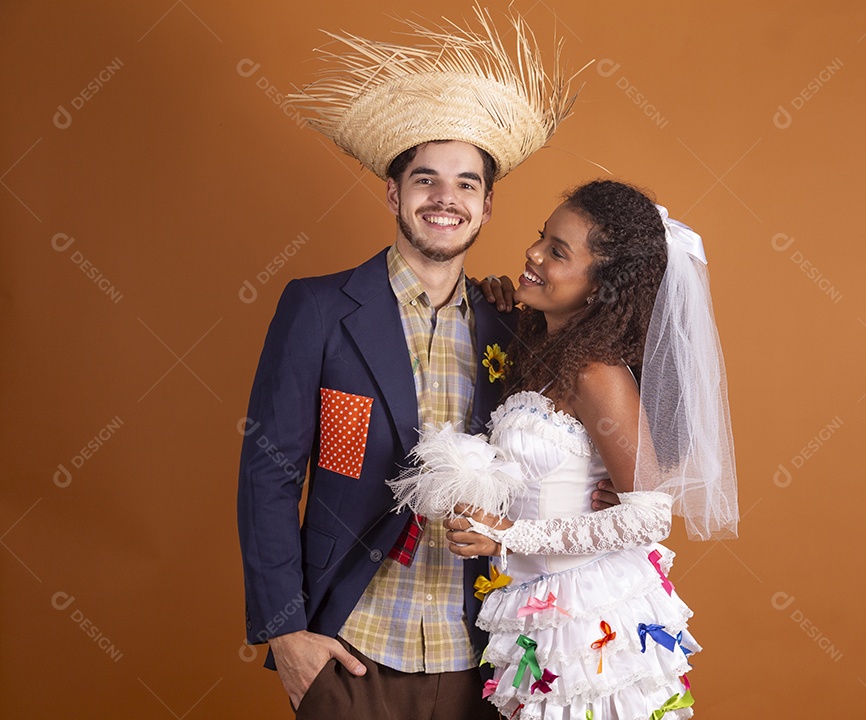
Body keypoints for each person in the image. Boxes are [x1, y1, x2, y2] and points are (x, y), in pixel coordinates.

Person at [236, 8, 588, 719]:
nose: (445, 199)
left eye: (466, 184)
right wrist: (285, 633)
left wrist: (602, 497)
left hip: (484, 651)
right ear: (394, 193)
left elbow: (551, 460)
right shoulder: (318, 309)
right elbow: (268, 474)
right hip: (352, 647)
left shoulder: (513, 327)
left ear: (487, 206)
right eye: (426, 180)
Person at [392, 180, 739, 719]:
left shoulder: (596, 373)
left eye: (557, 251)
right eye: (541, 237)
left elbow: (650, 517)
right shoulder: (539, 346)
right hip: (534, 608)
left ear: (600, 288)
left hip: (586, 619)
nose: (532, 253)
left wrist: (509, 535)